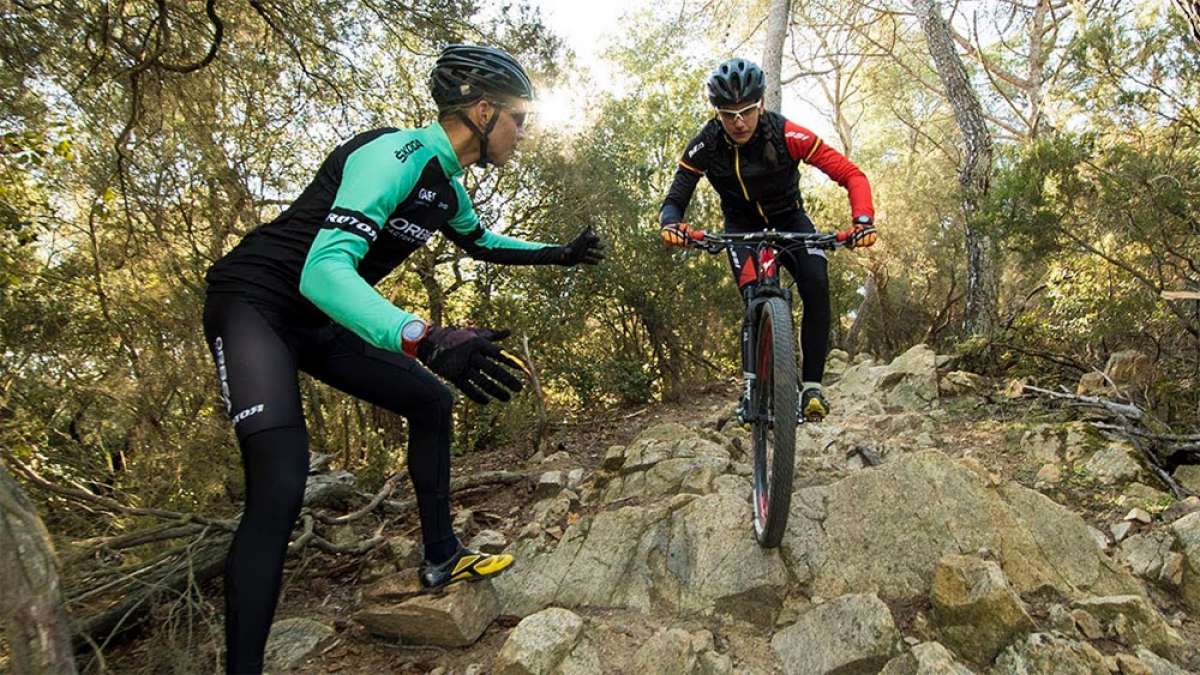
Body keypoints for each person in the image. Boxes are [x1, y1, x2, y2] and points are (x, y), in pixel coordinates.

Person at [202, 44, 604, 674]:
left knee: (430, 401)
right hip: (253, 303)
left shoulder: (446, 185)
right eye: (518, 120)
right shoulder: (396, 154)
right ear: (481, 111)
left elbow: (484, 242)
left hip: (314, 319)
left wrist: (559, 253)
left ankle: (441, 556)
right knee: (279, 487)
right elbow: (324, 270)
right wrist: (426, 337)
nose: (522, 134)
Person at [658, 57, 876, 423]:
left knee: (816, 282)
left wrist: (863, 220)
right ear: (717, 113)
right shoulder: (706, 144)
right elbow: (675, 197)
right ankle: (751, 391)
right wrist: (671, 224)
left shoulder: (786, 134)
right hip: (740, 226)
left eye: (746, 111)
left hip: (789, 218)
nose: (738, 122)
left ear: (760, 104)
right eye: (728, 115)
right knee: (751, 294)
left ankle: (811, 388)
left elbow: (852, 174)